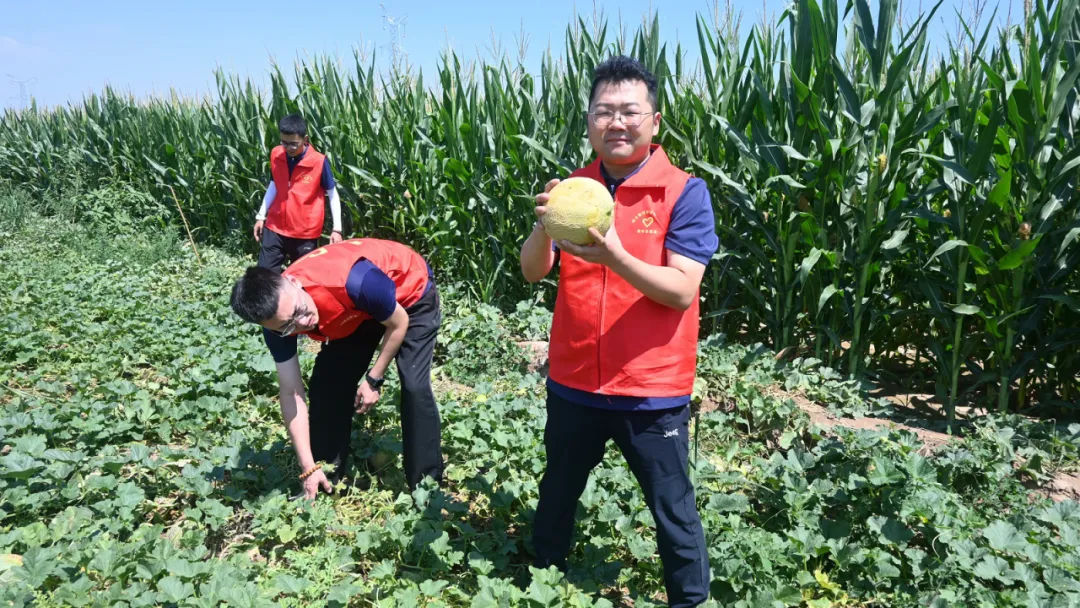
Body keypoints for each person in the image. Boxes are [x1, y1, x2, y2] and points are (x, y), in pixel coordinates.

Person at [519, 55, 718, 607]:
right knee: (558, 491)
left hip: (651, 388)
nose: (617, 123)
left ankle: (689, 600)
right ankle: (543, 585)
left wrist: (615, 257)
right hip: (575, 379)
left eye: (630, 111)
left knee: (672, 507)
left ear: (654, 121)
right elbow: (533, 271)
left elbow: (681, 290)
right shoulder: (574, 191)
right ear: (589, 121)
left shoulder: (683, 192)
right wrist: (543, 224)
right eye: (604, 112)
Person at [229, 238, 443, 499]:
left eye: (299, 310)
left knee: (414, 386)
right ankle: (324, 477)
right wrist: (307, 466)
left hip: (408, 293)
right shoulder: (277, 326)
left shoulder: (355, 280)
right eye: (288, 326)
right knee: (327, 385)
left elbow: (398, 323)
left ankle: (427, 490)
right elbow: (291, 392)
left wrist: (373, 379)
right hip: (356, 308)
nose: (303, 323)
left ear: (294, 283)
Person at [253, 113, 343, 271]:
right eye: (284, 143)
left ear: (305, 139)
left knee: (302, 279)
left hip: (305, 233)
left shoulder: (318, 162)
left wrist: (337, 229)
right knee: (263, 278)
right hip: (275, 227)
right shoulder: (276, 154)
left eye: (293, 144)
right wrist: (261, 216)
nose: (288, 148)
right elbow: (274, 184)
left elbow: (332, 194)